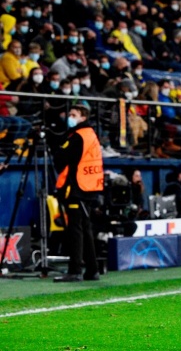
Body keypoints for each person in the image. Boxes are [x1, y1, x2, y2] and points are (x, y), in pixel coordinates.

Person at [53, 102, 103, 282]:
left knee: (75, 230)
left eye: (73, 115)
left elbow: (61, 158)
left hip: (77, 188)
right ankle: (92, 269)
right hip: (88, 186)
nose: (70, 118)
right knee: (85, 228)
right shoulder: (91, 134)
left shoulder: (78, 136)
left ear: (83, 117)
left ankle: (75, 270)